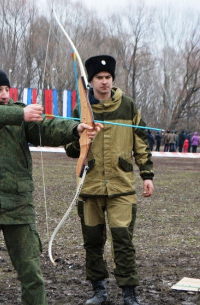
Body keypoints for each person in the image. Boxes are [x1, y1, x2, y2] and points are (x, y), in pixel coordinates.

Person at [0, 67, 101, 305]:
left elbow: (47, 128)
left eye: (6, 89)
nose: (4, 95)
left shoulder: (19, 114)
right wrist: (19, 114)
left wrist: (76, 129)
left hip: (18, 205)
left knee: (32, 276)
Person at [64, 55, 154, 305]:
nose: (104, 82)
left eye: (108, 77)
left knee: (123, 242)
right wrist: (83, 136)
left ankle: (129, 294)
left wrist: (146, 175)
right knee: (92, 242)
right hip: (89, 187)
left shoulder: (128, 106)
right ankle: (99, 292)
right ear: (90, 81)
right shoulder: (80, 110)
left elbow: (141, 142)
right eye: (98, 78)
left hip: (121, 187)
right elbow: (71, 149)